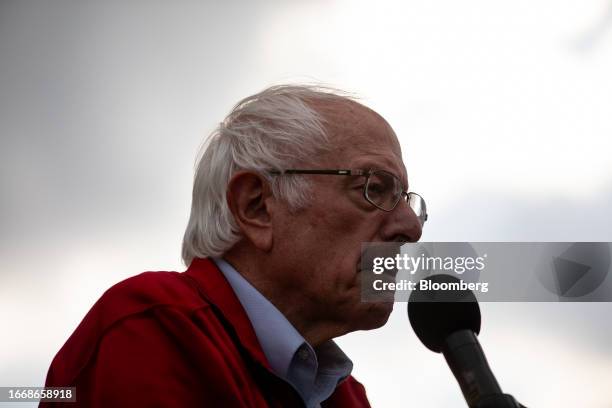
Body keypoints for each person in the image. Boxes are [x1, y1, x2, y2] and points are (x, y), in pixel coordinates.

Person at [41, 85, 426, 407]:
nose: (410, 228)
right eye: (374, 189)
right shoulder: (153, 325)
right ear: (256, 206)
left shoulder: (345, 396)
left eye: (408, 200)